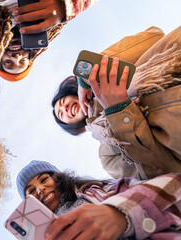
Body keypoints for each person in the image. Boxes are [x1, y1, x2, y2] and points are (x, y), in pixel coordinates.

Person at [52, 26, 181, 179]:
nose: (65, 108)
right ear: (71, 126)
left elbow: (154, 37)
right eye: (61, 114)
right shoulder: (107, 156)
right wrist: (118, 110)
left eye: (63, 101)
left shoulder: (118, 75)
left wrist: (87, 76)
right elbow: (159, 175)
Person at [16, 160, 181, 240]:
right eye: (31, 191)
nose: (39, 190)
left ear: (57, 178)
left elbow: (175, 185)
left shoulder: (104, 190)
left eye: (44, 180)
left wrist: (119, 215)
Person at [0, 0, 98, 81]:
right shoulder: (48, 7)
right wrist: (66, 6)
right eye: (23, 61)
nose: (16, 57)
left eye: (7, 62)